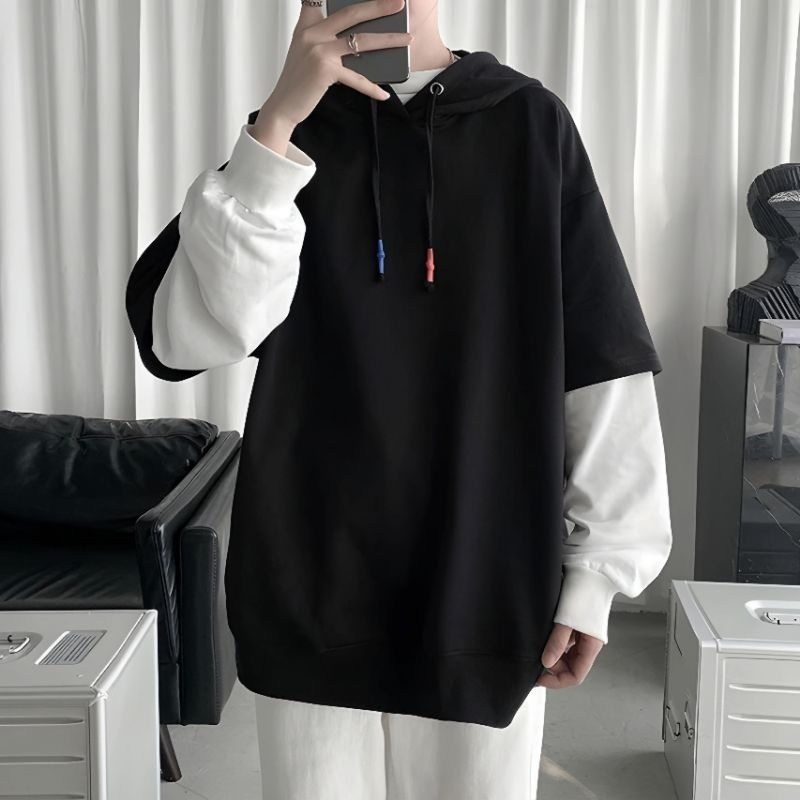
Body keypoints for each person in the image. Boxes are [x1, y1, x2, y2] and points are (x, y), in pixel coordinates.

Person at [125, 0, 673, 797]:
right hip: (310, 571)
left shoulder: (529, 124)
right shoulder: (293, 135)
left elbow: (600, 359)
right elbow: (185, 339)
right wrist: (275, 126)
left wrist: (597, 574)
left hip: (485, 571)